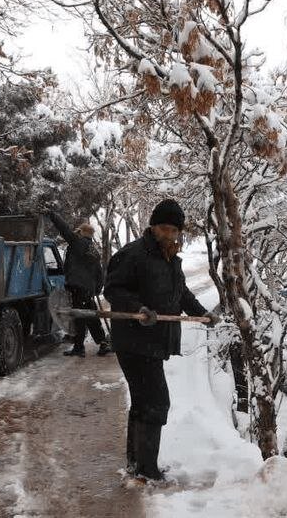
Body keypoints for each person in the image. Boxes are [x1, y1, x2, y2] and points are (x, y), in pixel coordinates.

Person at [104, 198, 218, 481]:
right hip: (134, 340)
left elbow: (182, 294)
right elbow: (113, 289)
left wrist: (201, 313)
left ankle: (137, 464)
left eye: (174, 230)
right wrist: (139, 309)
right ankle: (146, 469)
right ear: (153, 227)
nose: (169, 234)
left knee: (144, 400)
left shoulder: (171, 259)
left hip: (153, 341)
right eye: (164, 228)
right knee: (156, 401)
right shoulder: (133, 255)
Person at [46, 211, 110, 357]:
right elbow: (99, 273)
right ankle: (101, 343)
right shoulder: (94, 250)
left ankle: (80, 347)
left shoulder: (77, 243)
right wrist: (96, 289)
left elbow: (64, 229)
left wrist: (52, 215)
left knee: (79, 317)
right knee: (90, 315)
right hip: (87, 289)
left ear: (81, 232)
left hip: (77, 287)